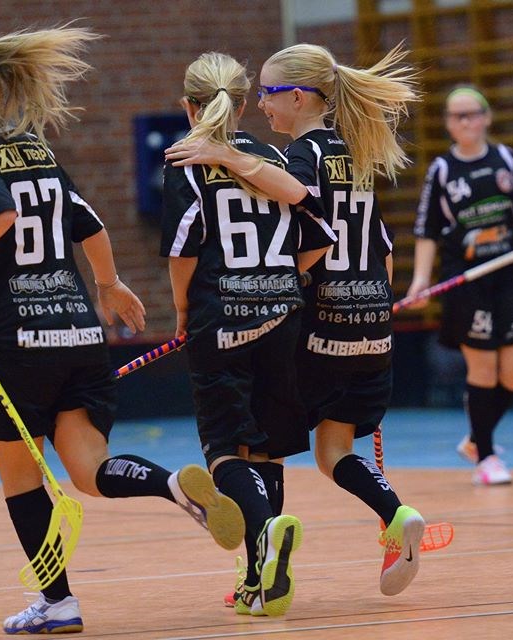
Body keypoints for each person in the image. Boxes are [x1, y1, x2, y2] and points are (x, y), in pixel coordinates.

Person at [0, 26, 244, 635]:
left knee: (19, 475)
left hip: (15, 338)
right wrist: (109, 285)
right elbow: (88, 222)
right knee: (90, 471)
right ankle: (171, 484)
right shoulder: (31, 146)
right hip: (78, 332)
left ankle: (58, 603)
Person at [166, 43, 426, 598]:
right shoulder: (356, 154)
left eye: (270, 93)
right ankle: (396, 513)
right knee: (333, 452)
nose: (262, 104)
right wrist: (375, 305)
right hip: (373, 319)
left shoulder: (300, 156)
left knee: (259, 443)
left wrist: (232, 159)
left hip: (319, 323)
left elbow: (306, 215)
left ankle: (260, 569)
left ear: (300, 97)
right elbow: (382, 248)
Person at [159, 51, 336, 617]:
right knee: (268, 447)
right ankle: (261, 578)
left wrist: (183, 309)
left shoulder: (186, 159)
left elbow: (184, 248)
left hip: (222, 316)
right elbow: (319, 233)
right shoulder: (273, 157)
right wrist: (283, 279)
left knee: (222, 448)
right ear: (242, 105)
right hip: (283, 313)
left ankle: (265, 535)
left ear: (189, 106)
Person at [407, 85, 513, 486]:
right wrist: (420, 280)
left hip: (504, 276)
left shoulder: (505, 159)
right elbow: (427, 229)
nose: (465, 121)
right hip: (465, 281)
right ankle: (487, 456)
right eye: (456, 115)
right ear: (448, 123)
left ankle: (476, 439)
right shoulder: (442, 170)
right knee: (483, 367)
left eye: (472, 113)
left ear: (486, 117)